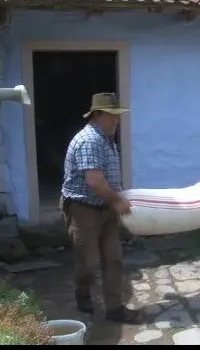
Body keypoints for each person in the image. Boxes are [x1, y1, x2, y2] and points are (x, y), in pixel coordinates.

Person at [60, 92, 141, 324]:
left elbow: (107, 177)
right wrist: (117, 200)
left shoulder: (106, 138)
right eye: (111, 116)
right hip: (82, 208)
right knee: (89, 261)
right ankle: (82, 292)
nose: (116, 120)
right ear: (96, 115)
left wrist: (116, 196)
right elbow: (94, 181)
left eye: (117, 115)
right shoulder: (89, 140)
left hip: (104, 207)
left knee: (113, 258)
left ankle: (115, 308)